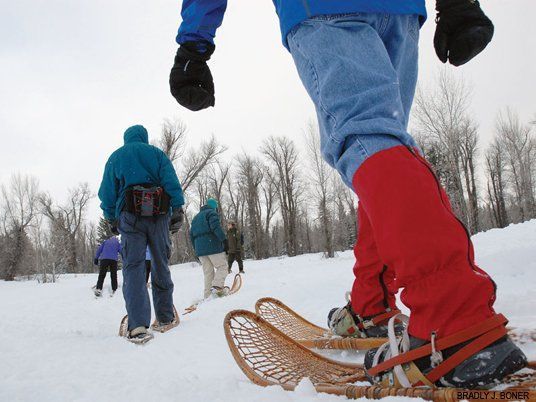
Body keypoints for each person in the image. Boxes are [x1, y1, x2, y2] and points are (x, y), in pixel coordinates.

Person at [169, 0, 527, 389]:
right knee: (382, 145)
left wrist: (194, 44)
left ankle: (453, 318)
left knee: (367, 139)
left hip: (326, 8)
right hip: (400, 14)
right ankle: (371, 303)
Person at [98, 124, 185, 344]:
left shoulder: (117, 157)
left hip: (130, 215)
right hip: (159, 214)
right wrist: (177, 208)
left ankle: (137, 325)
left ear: (126, 138)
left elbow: (107, 192)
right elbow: (171, 182)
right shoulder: (156, 154)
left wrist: (111, 217)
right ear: (144, 138)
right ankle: (165, 317)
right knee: (160, 264)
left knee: (134, 267)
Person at [190, 198, 229, 298]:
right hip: (213, 246)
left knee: (208, 273)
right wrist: (224, 240)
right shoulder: (211, 213)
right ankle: (217, 288)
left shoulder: (195, 218)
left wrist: (196, 250)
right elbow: (215, 227)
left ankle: (207, 295)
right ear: (214, 207)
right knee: (222, 266)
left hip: (200, 250)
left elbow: (191, 236)